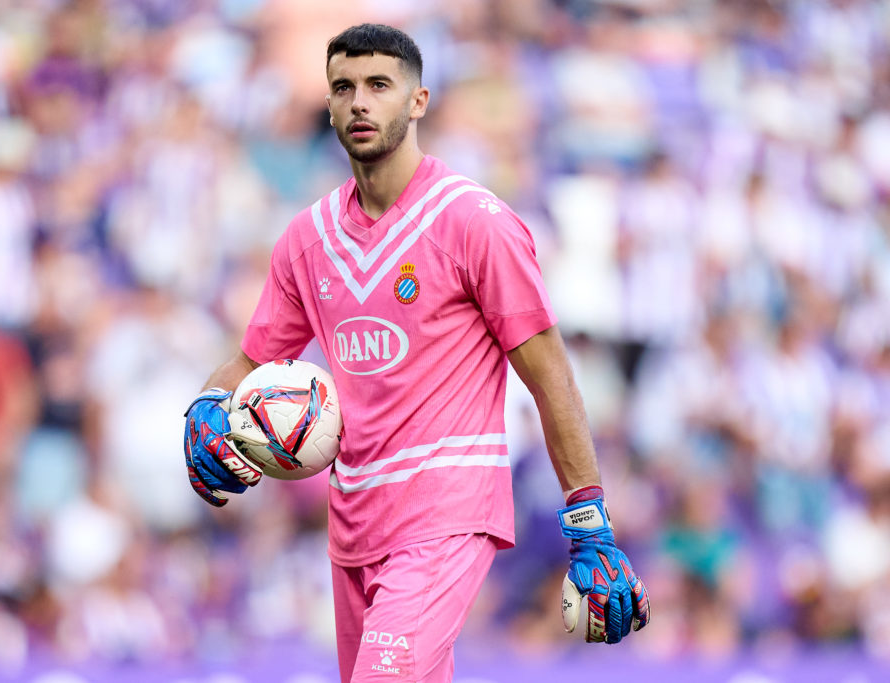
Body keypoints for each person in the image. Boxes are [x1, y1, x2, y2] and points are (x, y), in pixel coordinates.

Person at [183, 23, 650, 681]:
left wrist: (589, 519)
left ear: (419, 100)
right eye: (343, 87)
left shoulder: (473, 221)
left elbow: (551, 376)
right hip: (353, 523)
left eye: (379, 85)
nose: (360, 103)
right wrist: (206, 407)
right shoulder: (306, 239)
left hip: (448, 510)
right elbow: (248, 364)